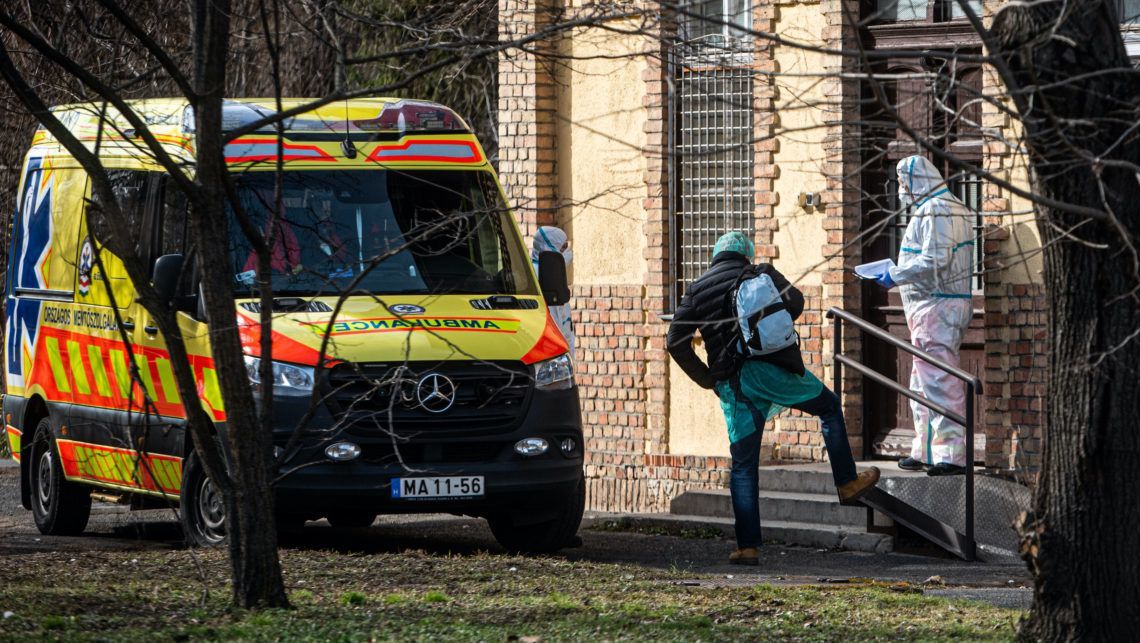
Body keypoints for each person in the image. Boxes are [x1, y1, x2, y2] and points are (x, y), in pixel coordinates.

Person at [668, 231, 880, 566]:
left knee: (743, 464)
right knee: (827, 407)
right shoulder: (762, 272)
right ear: (745, 254)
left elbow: (675, 341)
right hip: (775, 369)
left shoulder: (696, 289)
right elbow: (796, 302)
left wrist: (707, 378)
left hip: (734, 383)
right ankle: (847, 481)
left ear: (715, 254)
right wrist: (765, 330)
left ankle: (748, 546)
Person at [874, 155, 974, 476]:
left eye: (904, 183)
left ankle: (952, 455)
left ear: (917, 181)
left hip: (936, 308)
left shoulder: (936, 209)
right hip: (933, 308)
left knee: (939, 381)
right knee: (922, 382)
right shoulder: (948, 206)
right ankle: (926, 448)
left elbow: (935, 260)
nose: (902, 190)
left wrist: (896, 274)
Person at [531, 226, 575, 355]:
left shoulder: (552, 272)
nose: (566, 251)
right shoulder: (541, 275)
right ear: (549, 246)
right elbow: (555, 326)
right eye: (563, 247)